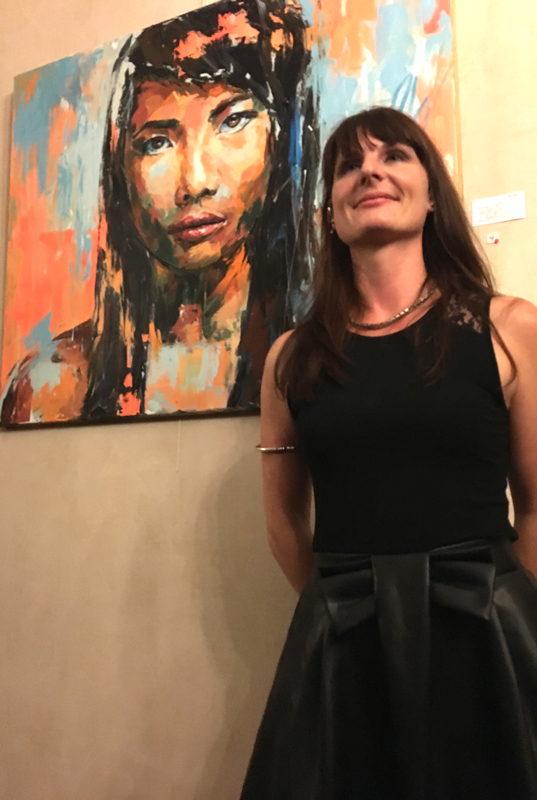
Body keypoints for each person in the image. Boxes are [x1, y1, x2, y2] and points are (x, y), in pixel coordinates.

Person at [241, 106, 537, 799]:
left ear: (431, 194)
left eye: (394, 156)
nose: (370, 171)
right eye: (349, 165)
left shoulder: (510, 327)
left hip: (488, 641)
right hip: (344, 651)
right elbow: (284, 523)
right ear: (330, 213)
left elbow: (536, 503)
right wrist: (343, 612)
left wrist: (506, 608)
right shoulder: (290, 357)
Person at [1, 0, 318, 424]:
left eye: (232, 122)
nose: (195, 183)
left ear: (279, 140)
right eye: (157, 143)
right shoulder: (54, 385)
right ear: (121, 167)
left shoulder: (319, 360)